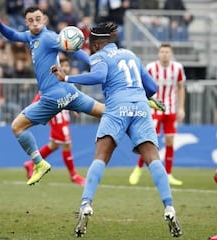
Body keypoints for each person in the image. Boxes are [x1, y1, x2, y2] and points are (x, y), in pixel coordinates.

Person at [52, 22, 182, 238]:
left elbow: (99, 76)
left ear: (95, 46)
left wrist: (67, 78)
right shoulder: (129, 55)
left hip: (116, 108)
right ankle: (169, 207)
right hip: (140, 107)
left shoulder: (101, 58)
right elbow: (152, 88)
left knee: (100, 157)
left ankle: (86, 204)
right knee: (153, 158)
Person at [0, 6, 105, 186]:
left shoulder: (49, 37)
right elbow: (13, 36)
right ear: (26, 23)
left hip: (52, 97)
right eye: (31, 20)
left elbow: (73, 48)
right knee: (105, 112)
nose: (35, 23)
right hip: (69, 91)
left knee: (17, 127)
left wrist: (92, 62)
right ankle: (139, 107)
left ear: (44, 20)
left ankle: (38, 163)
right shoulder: (30, 36)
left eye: (38, 18)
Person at [129, 43, 186, 186]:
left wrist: (181, 108)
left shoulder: (177, 68)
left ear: (171, 53)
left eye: (167, 51)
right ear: (158, 54)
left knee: (170, 141)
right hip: (154, 109)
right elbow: (142, 87)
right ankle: (138, 168)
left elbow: (180, 88)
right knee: (149, 140)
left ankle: (169, 174)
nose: (165, 54)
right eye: (162, 52)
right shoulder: (151, 68)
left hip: (171, 109)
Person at [23, 57, 85, 186]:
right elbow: (39, 97)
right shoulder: (51, 82)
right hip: (58, 117)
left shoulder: (66, 81)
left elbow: (72, 96)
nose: (67, 68)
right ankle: (73, 175)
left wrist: (76, 107)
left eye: (68, 65)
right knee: (67, 144)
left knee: (54, 145)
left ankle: (30, 164)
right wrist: (35, 109)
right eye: (64, 65)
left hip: (64, 114)